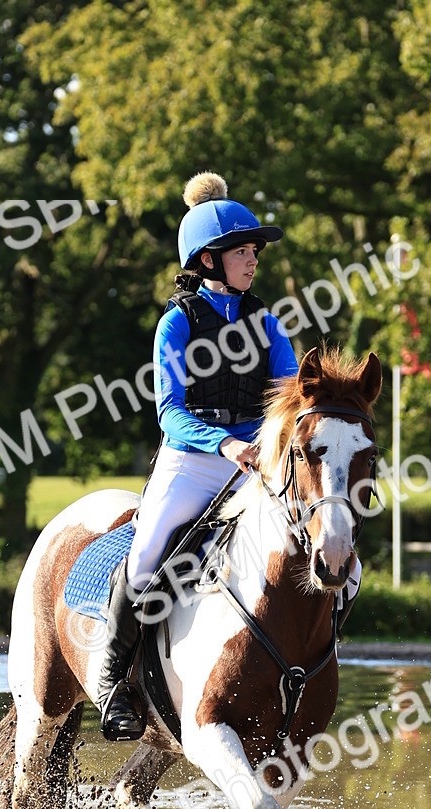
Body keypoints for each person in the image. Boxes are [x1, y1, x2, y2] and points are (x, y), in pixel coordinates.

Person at [97, 172, 299, 740]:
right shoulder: (178, 322)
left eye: (254, 250)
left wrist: (267, 439)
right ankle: (115, 682)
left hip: (255, 461)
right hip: (193, 459)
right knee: (145, 560)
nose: (253, 259)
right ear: (209, 260)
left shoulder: (267, 322)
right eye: (243, 250)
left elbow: (286, 394)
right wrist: (226, 442)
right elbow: (171, 412)